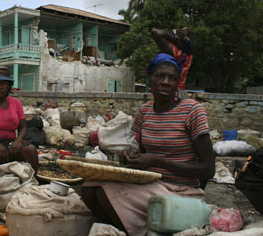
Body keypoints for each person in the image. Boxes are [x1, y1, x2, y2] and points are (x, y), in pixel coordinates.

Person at [81, 53, 215, 235]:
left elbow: (208, 169)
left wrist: (157, 162)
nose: (166, 82)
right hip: (152, 183)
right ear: (149, 80)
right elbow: (142, 152)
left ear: (177, 84)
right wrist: (129, 157)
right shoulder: (145, 112)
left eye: (172, 78)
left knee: (104, 191)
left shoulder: (192, 110)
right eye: (160, 76)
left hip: (183, 190)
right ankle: (125, 228)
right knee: (89, 188)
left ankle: (133, 231)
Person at [151, 27, 193, 98]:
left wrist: (185, 34)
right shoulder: (173, 52)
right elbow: (155, 32)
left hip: (178, 90)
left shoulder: (186, 54)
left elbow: (188, 47)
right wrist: (175, 39)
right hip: (165, 89)